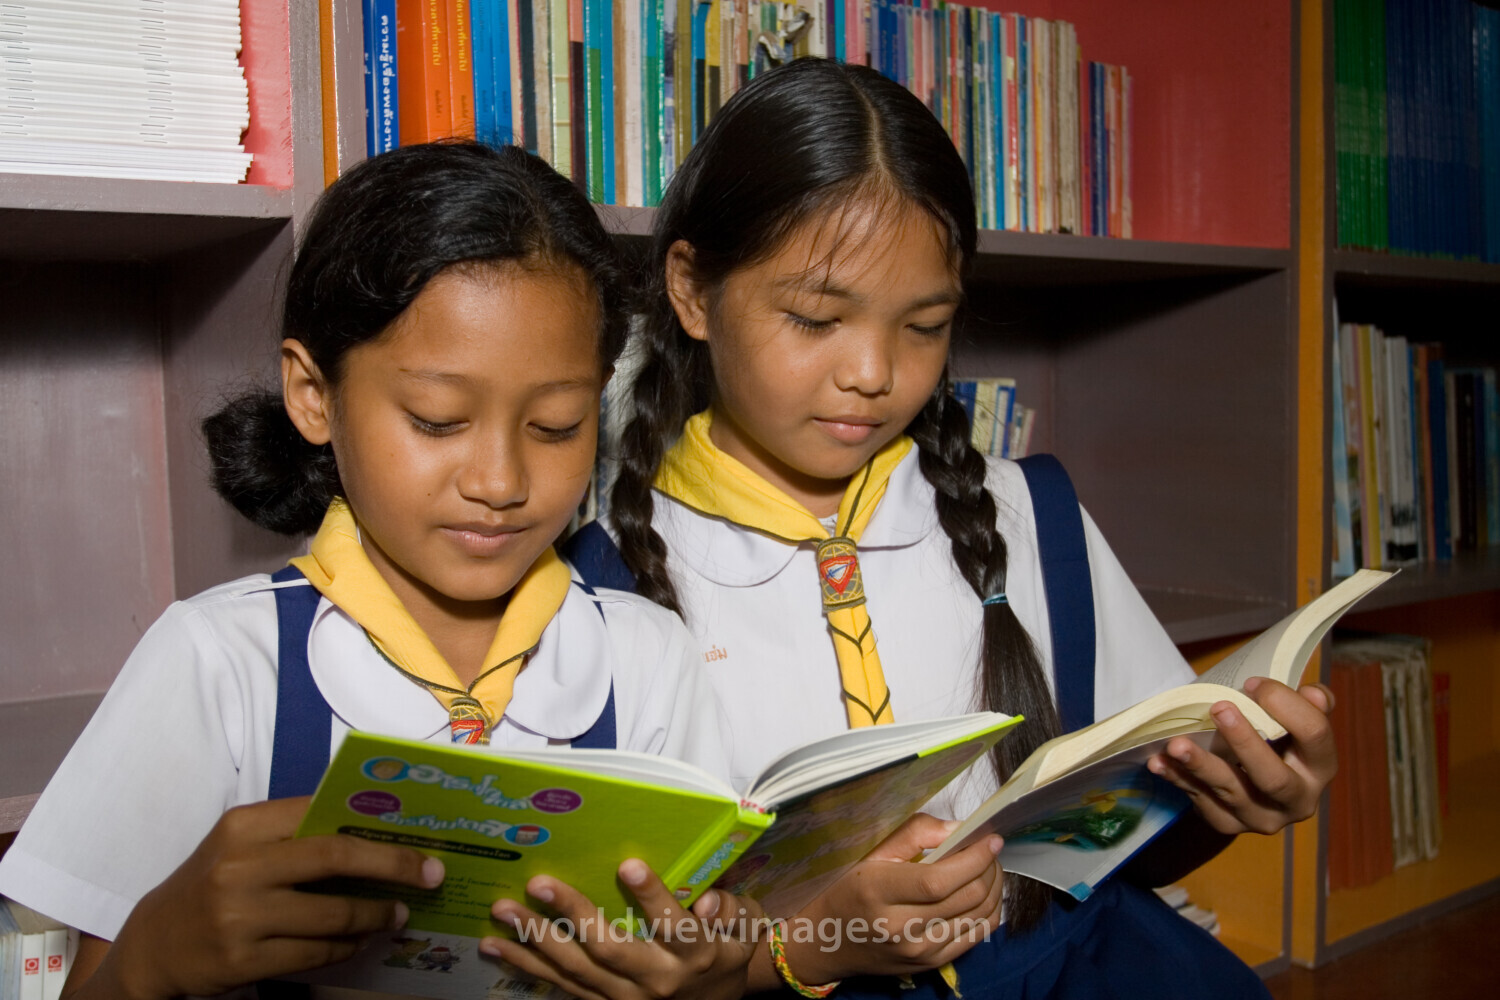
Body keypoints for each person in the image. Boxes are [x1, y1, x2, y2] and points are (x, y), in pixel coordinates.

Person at [552, 58, 1334, 999]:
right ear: (690, 289)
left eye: (924, 326)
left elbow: (1121, 859)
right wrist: (813, 943)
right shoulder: (601, 590)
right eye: (814, 319)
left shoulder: (1028, 517)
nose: (874, 373)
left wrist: (1232, 799)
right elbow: (620, 961)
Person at [0, 142, 756, 1000]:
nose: (500, 483)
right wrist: (155, 955)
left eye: (555, 426)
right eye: (437, 420)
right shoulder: (218, 664)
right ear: (313, 393)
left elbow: (701, 943)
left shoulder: (649, 662)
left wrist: (704, 982)